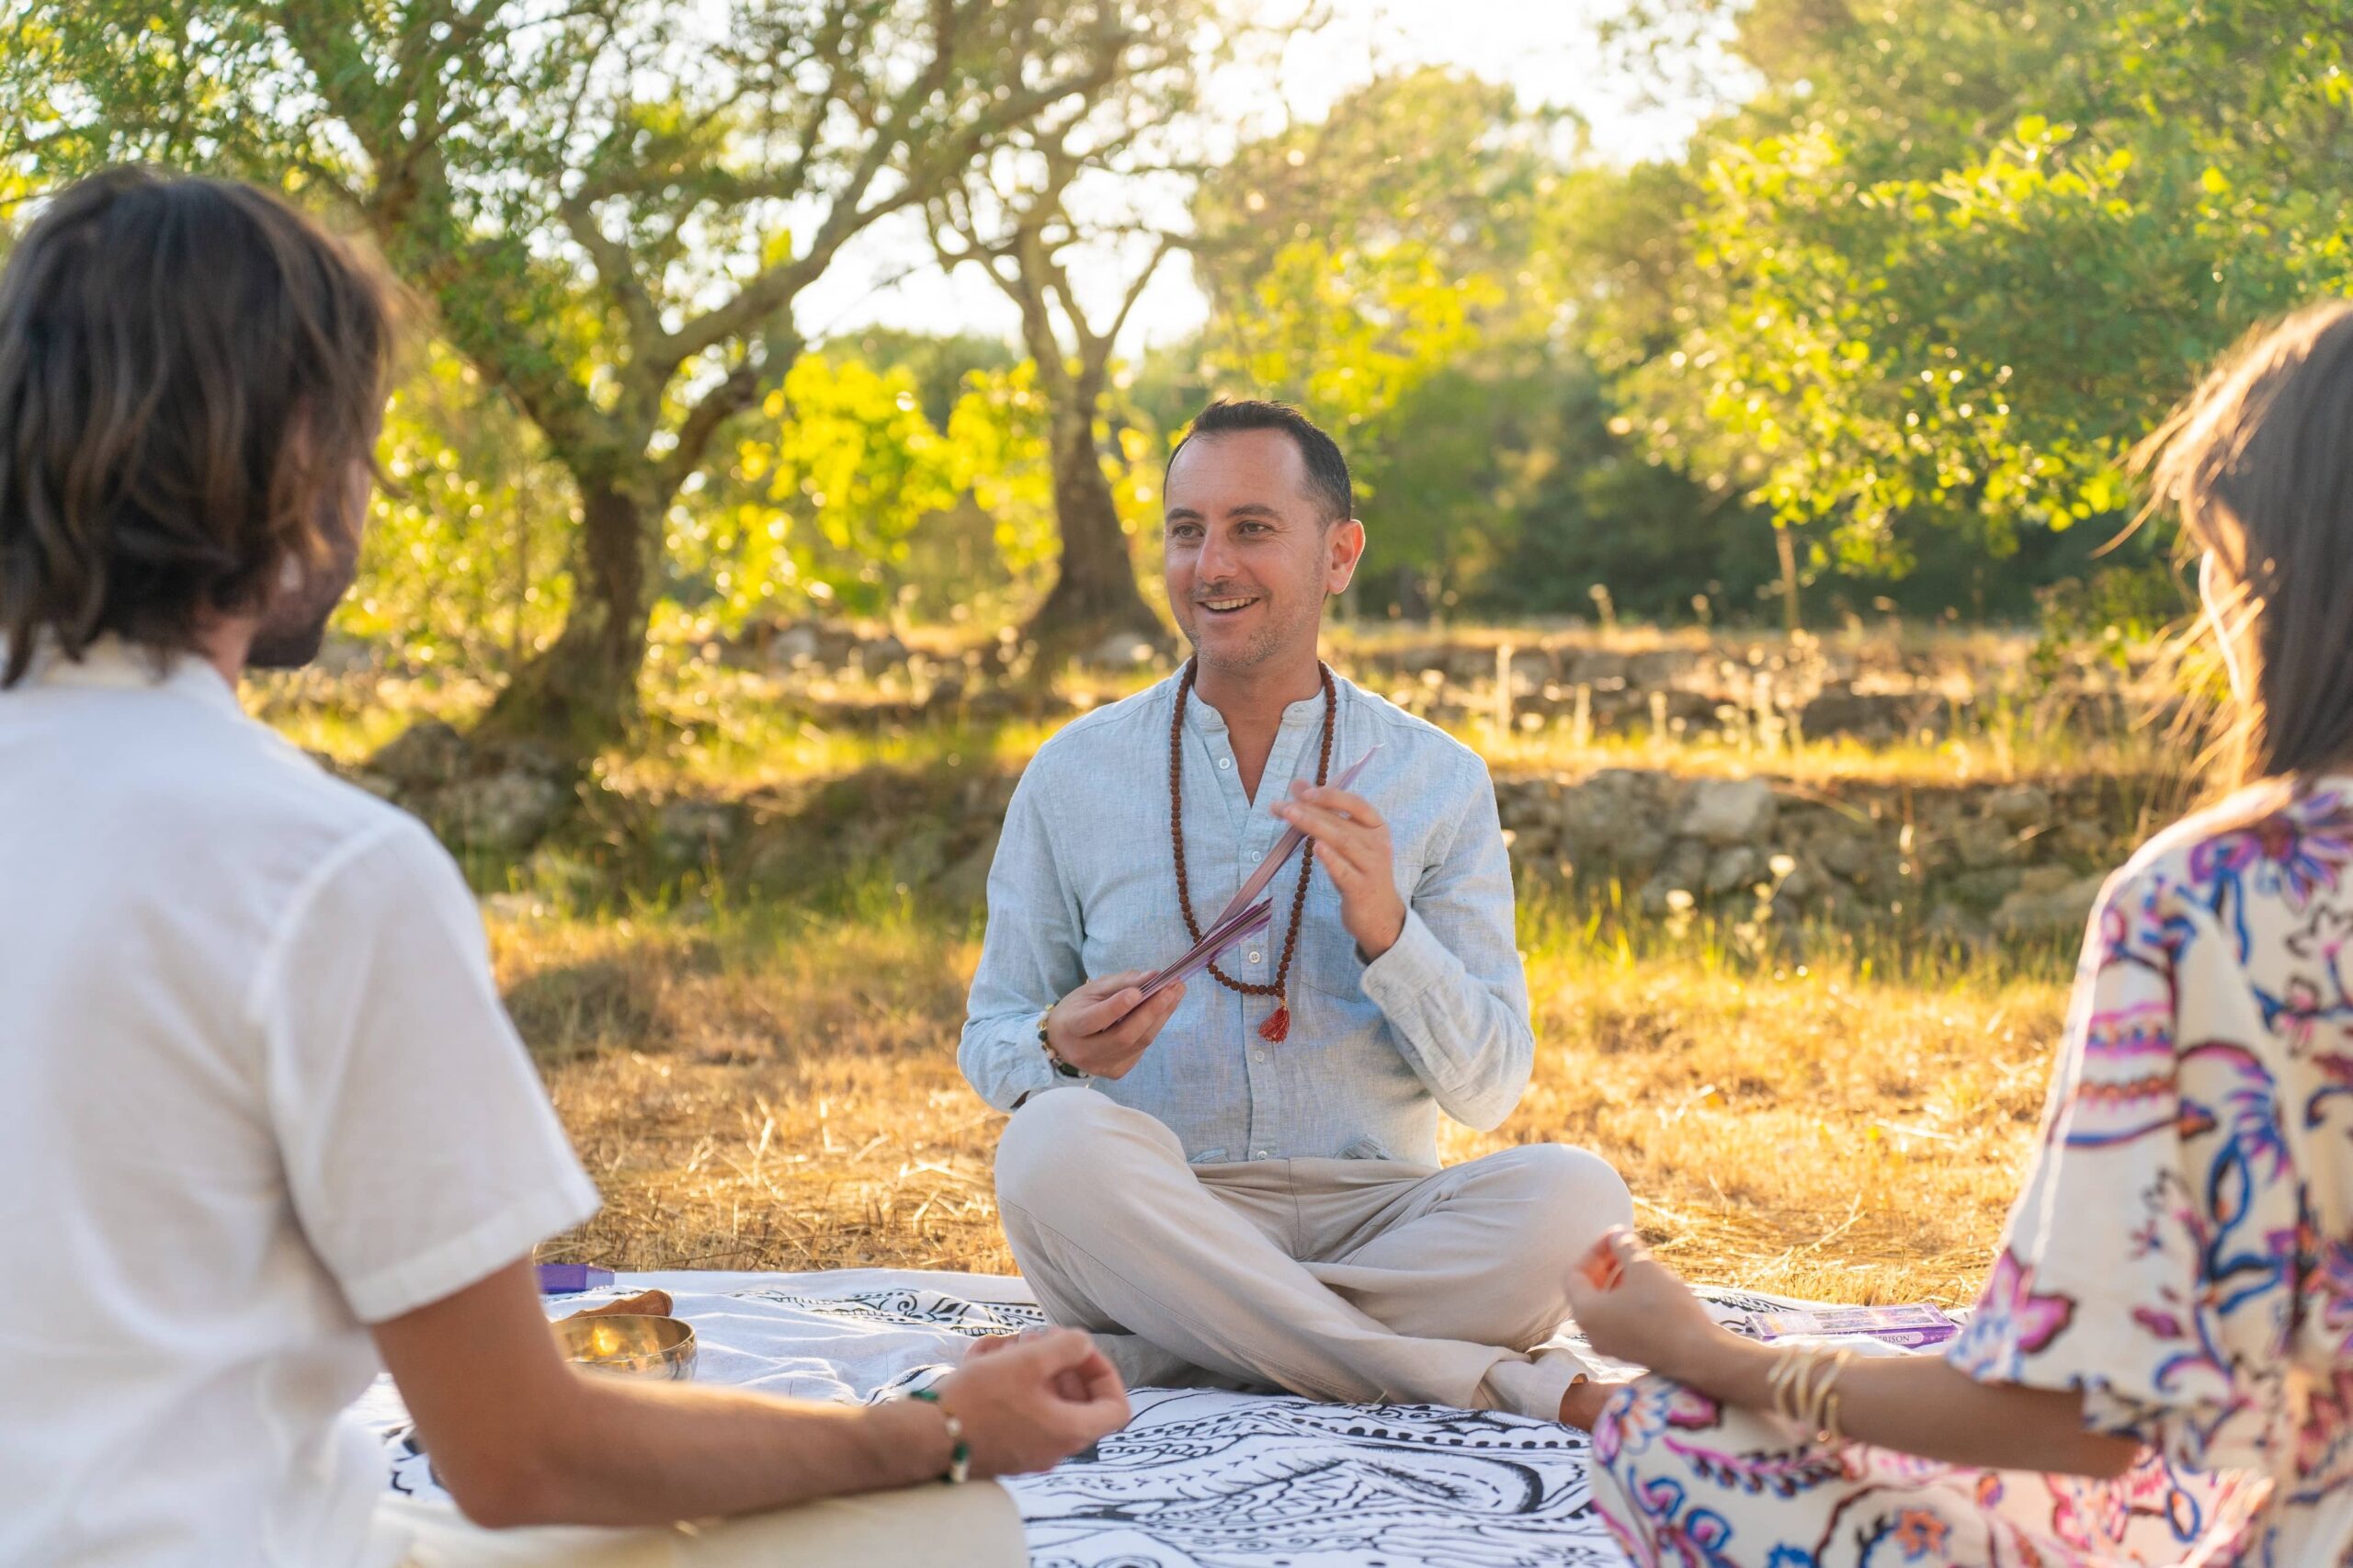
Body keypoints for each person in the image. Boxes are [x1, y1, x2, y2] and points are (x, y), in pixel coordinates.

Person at [0, 166, 1126, 1568]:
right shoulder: (321, 872)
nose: (371, 483)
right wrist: (933, 1432)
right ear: (292, 454)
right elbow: (521, 1453)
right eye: (362, 437)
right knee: (939, 1524)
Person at [1563, 302, 2353, 1565]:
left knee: (1678, 1435)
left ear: (2271, 569)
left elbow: (2076, 1416)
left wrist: (1715, 1354)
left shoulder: (2220, 891)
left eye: (2210, 549)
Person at [960, 398, 1634, 1431]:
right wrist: (1055, 1045)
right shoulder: (1071, 772)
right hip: (1162, 1210)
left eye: (1252, 528)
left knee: (1581, 1200)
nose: (1211, 564)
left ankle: (1164, 1352)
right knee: (1047, 1144)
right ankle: (1496, 1380)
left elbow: (1490, 1088)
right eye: (1187, 530)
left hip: (1378, 1223)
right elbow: (992, 1035)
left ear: (1340, 554)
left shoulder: (1437, 777)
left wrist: (1389, 931)